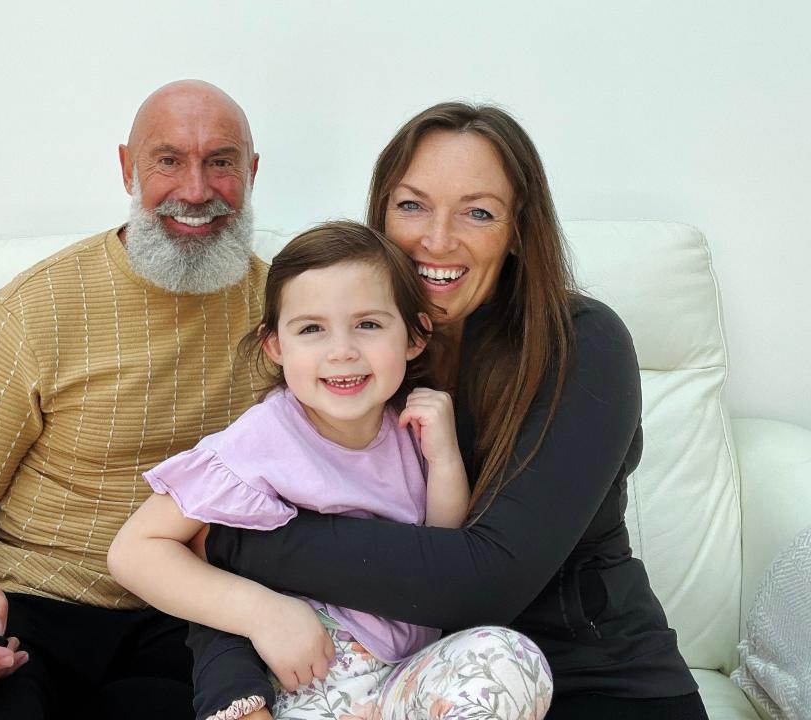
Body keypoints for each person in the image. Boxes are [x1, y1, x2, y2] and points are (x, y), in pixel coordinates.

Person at [198, 103, 710, 719]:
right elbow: (231, 547)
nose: (437, 240)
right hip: (410, 683)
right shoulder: (348, 361)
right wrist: (232, 693)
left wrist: (235, 538)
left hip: (593, 680)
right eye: (412, 205)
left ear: (518, 228)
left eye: (479, 212)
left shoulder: (581, 343)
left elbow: (484, 583)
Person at [0, 79, 273, 720]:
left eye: (222, 161)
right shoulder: (38, 305)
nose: (197, 190)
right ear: (127, 167)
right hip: (22, 604)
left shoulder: (288, 312)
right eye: (169, 159)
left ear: (252, 172)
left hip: (186, 618)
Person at [109, 221, 552, 719]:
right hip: (306, 679)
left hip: (406, 675)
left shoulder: (408, 425)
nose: (341, 350)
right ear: (275, 346)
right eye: (312, 329)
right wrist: (264, 614)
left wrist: (444, 458)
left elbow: (440, 550)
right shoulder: (264, 437)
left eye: (368, 324)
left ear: (415, 336)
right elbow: (134, 552)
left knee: (511, 656)